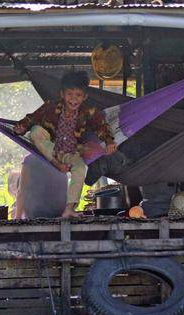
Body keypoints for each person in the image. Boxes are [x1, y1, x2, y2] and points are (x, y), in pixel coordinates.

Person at [13, 71, 117, 218]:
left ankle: (69, 208)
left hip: (71, 152)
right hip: (51, 150)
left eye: (78, 95)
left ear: (84, 97)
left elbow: (101, 127)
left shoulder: (89, 112)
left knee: (81, 168)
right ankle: (56, 164)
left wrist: (109, 141)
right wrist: (21, 127)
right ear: (62, 94)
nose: (73, 99)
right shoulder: (50, 106)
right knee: (35, 132)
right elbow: (32, 118)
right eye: (70, 94)